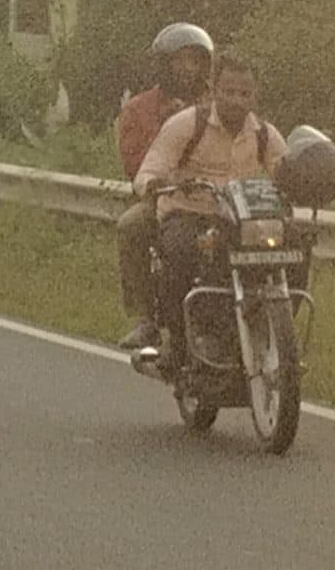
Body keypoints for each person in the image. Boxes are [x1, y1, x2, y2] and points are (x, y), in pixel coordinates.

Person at [131, 53, 286, 353]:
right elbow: (150, 170)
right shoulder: (187, 124)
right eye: (229, 91)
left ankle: (275, 330)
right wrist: (158, 183)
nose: (237, 100)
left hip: (243, 224)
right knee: (178, 250)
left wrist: (304, 182)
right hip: (191, 216)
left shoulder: (265, 135)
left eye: (245, 93)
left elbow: (287, 171)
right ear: (213, 90)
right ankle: (176, 342)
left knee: (294, 244)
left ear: (255, 96)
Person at [114, 22, 214, 350]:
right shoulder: (139, 109)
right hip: (164, 197)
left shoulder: (220, 104)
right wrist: (167, 129)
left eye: (195, 61)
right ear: (164, 64)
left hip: (218, 197)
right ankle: (146, 319)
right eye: (179, 61)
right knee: (131, 226)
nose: (188, 69)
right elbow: (136, 167)